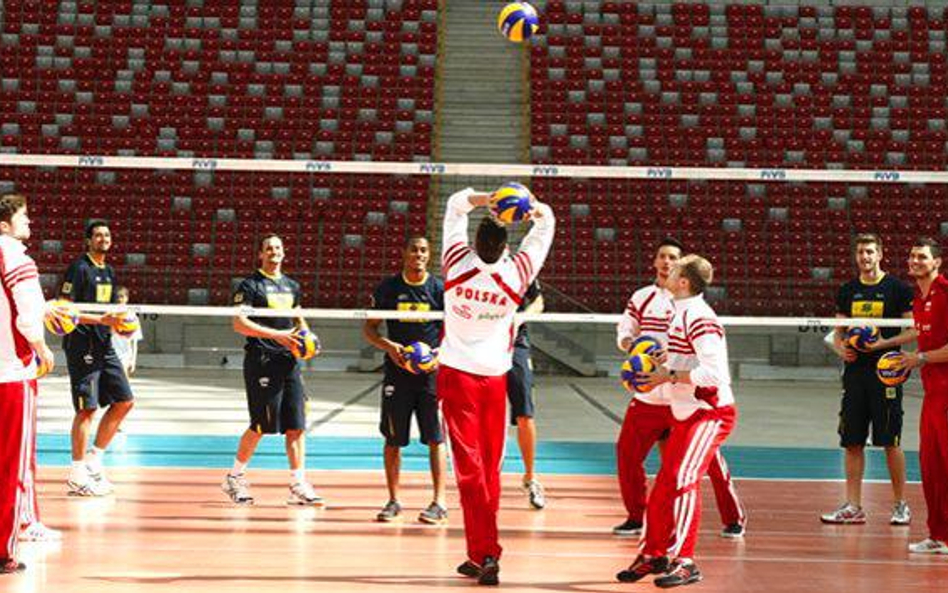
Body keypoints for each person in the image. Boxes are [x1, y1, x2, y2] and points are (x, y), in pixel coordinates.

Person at [438, 187, 554, 586]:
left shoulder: (455, 263)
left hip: (456, 377)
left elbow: (454, 204)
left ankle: (486, 552)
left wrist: (488, 197)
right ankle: (481, 552)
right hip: (494, 380)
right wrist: (527, 208)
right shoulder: (517, 273)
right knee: (490, 471)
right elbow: (547, 223)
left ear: (474, 243)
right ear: (506, 246)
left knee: (469, 472)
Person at [617, 255, 736, 588]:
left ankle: (685, 561)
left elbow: (715, 373)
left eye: (676, 268)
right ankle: (653, 554)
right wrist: (653, 360)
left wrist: (666, 375)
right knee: (665, 485)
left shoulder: (700, 318)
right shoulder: (678, 311)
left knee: (683, 478)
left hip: (710, 413)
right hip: (685, 412)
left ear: (684, 281)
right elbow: (681, 355)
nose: (668, 271)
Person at [221, 234, 323, 506]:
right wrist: (277, 335)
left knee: (297, 426)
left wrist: (309, 338)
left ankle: (298, 483)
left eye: (278, 248)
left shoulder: (292, 285)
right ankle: (234, 477)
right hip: (262, 360)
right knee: (261, 425)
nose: (274, 252)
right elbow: (239, 324)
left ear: (284, 253)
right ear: (261, 254)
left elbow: (299, 319)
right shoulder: (250, 285)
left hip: (289, 361)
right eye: (268, 248)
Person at [821, 233, 913, 525]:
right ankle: (853, 506)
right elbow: (838, 330)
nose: (865, 257)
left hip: (886, 374)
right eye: (860, 252)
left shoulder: (897, 288)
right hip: (855, 375)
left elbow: (913, 330)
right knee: (852, 441)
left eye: (870, 251)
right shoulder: (848, 290)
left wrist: (881, 344)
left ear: (880, 254)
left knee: (890, 441)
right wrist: (841, 349)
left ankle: (900, 505)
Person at [363, 236, 448, 524]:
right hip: (396, 375)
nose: (419, 254)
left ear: (429, 255)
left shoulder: (439, 289)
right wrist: (389, 347)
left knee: (435, 439)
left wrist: (438, 355)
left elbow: (453, 330)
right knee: (393, 439)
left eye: (424, 250)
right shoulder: (388, 288)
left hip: (430, 377)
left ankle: (439, 502)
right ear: (404, 253)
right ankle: (393, 500)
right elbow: (370, 330)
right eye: (414, 249)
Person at [875, 237, 948, 553]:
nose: (915, 261)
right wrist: (904, 361)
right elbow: (929, 345)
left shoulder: (946, 294)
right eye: (911, 256)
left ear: (937, 262)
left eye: (922, 257)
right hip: (932, 395)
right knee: (931, 468)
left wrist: (919, 358)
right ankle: (938, 535)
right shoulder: (918, 299)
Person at [0, 192, 56, 573]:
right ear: (5, 225)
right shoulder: (16, 256)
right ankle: (5, 549)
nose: (30, 224)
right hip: (11, 373)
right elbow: (27, 315)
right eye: (24, 218)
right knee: (12, 464)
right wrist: (43, 348)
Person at [60, 219, 134, 496]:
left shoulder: (109, 270)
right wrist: (100, 319)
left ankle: (94, 460)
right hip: (83, 345)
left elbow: (111, 310)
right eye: (98, 235)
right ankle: (77, 473)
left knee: (125, 401)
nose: (103, 238)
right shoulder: (79, 268)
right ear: (88, 240)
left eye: (107, 234)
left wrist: (121, 322)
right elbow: (65, 309)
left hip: (105, 344)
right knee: (87, 408)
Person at [508, 280, 545, 509]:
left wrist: (520, 317)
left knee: (525, 415)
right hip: (483, 345)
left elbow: (539, 302)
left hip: (516, 345)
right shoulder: (478, 266)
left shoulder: (522, 269)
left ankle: (530, 478)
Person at [111, 286, 142, 377]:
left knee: (123, 384)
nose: (119, 299)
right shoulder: (109, 314)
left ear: (127, 298)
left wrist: (133, 360)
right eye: (117, 297)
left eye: (122, 296)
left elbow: (134, 342)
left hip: (125, 356)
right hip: (111, 354)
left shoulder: (132, 316)